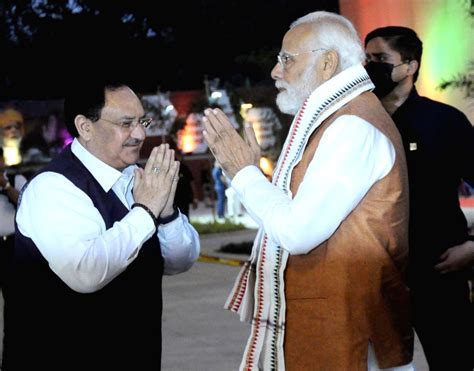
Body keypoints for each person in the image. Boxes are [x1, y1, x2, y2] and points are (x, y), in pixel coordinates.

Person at [203, 11, 414, 370]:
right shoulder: (341, 118)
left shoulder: (351, 126)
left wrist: (244, 174)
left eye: (287, 59)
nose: (275, 71)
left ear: (328, 63)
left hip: (348, 335)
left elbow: (298, 233)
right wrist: (252, 177)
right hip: (332, 330)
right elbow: (292, 216)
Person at [2, 78, 200, 371]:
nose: (140, 133)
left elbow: (179, 261)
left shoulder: (135, 179)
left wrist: (167, 210)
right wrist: (145, 211)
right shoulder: (53, 187)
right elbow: (86, 272)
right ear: (85, 127)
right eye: (126, 123)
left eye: (142, 120)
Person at [365, 26, 474, 371]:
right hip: (375, 273)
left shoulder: (443, 122)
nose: (370, 67)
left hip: (439, 270)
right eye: (366, 59)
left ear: (410, 66)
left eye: (381, 59)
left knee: (454, 361)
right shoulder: (357, 123)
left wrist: (472, 247)